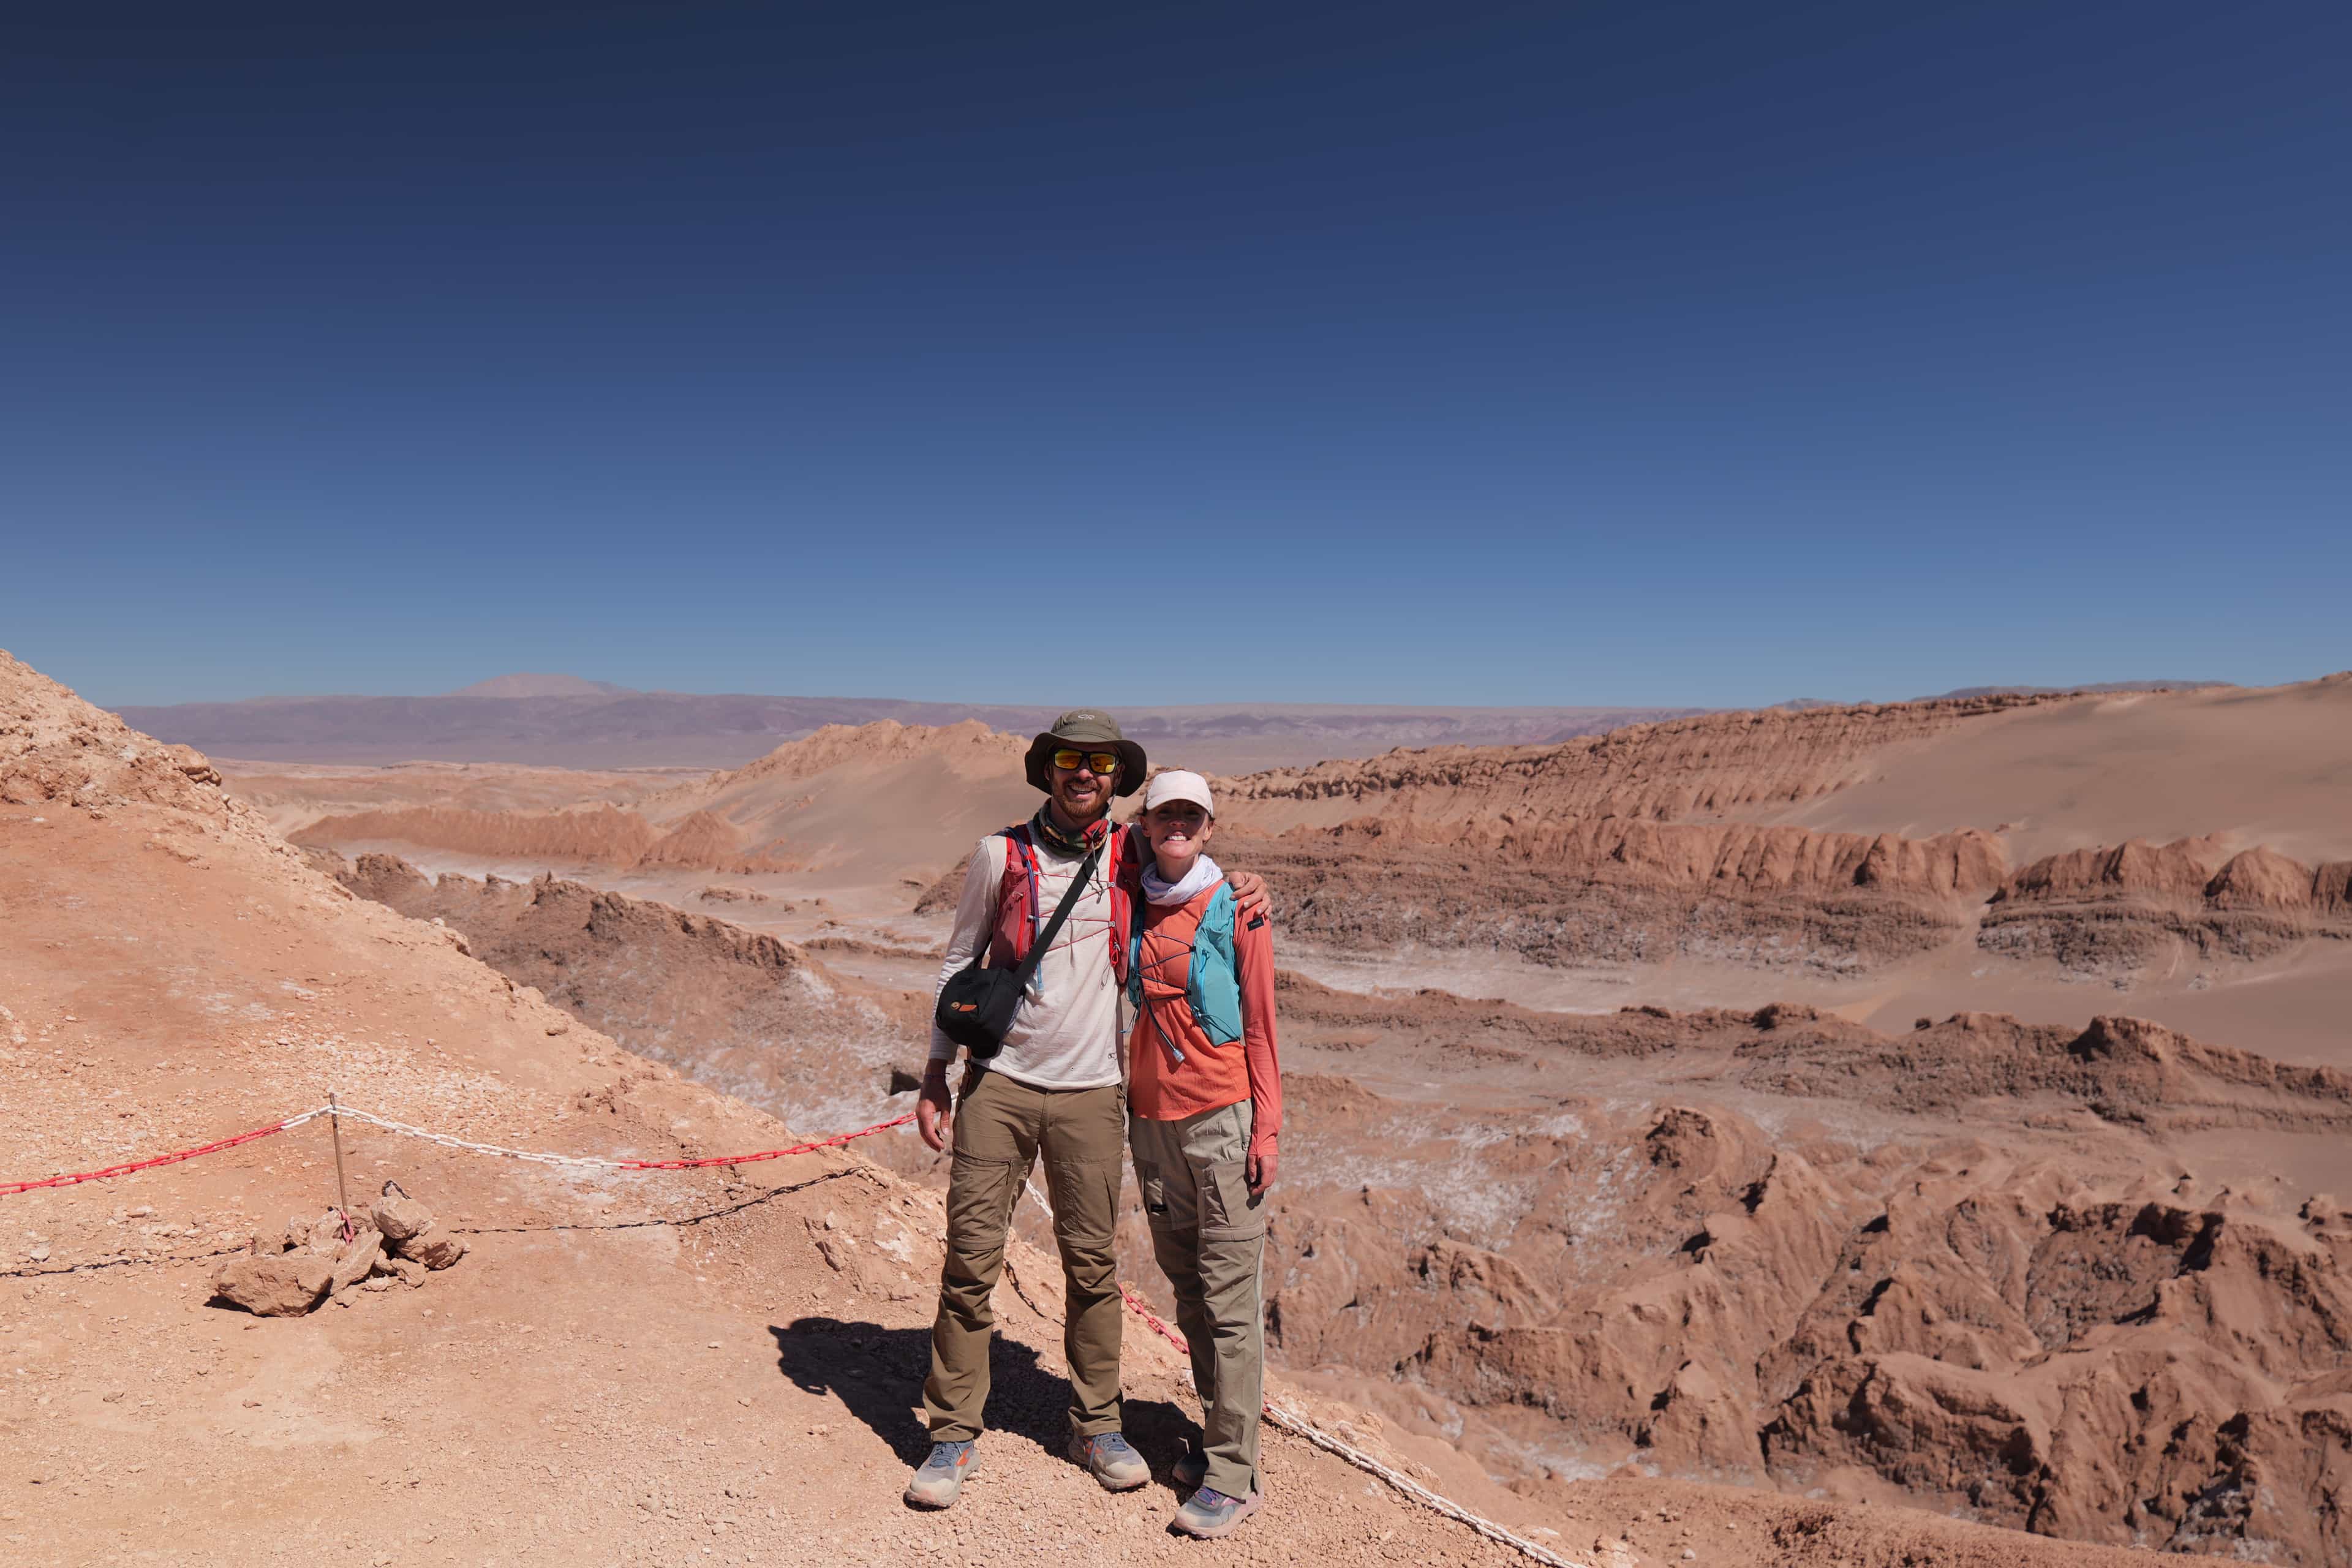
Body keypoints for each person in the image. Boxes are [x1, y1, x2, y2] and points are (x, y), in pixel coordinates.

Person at [904, 711, 1265, 1510]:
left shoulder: (1130, 851)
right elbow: (959, 961)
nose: (1085, 774)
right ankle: (952, 1434)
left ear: (1115, 778)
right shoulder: (1000, 854)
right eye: (1071, 758)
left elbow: (1191, 868)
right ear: (1048, 768)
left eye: (1101, 764)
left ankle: (1097, 1426)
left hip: (1094, 1094)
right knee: (970, 1263)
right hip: (999, 1084)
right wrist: (934, 1074)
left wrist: (1249, 886)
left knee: (1093, 1271)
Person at [1121, 768, 1280, 1539]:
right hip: (1152, 1124)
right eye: (1165, 815)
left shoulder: (1238, 906)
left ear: (1209, 826)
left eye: (1192, 815)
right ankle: (1221, 1440)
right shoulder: (1128, 895)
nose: (1177, 825)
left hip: (1221, 1120)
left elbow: (1262, 1022)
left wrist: (1267, 1127)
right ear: (1146, 825)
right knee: (1189, 1292)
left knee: (1230, 1300)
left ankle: (1234, 1475)